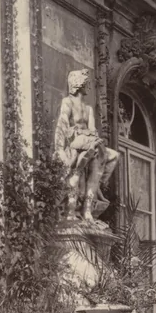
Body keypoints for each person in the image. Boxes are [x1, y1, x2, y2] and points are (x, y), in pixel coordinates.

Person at [55, 69, 119, 223]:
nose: (88, 85)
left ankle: (88, 208)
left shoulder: (88, 109)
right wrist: (59, 150)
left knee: (113, 156)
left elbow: (92, 130)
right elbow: (61, 126)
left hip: (89, 142)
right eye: (86, 82)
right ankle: (71, 210)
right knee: (76, 173)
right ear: (78, 84)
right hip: (75, 144)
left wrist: (94, 140)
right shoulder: (67, 102)